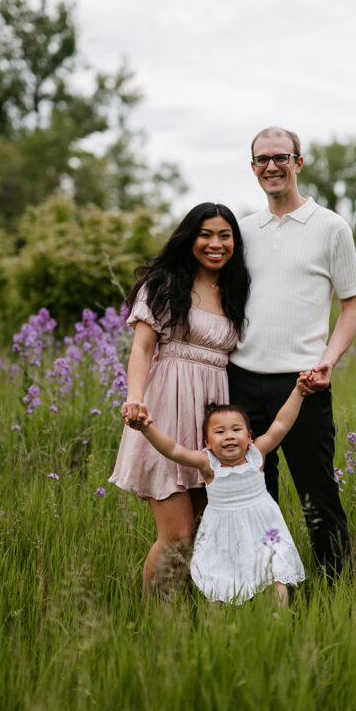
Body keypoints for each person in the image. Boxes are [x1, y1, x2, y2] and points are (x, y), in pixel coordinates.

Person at [227, 126, 356, 579]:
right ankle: (262, 582)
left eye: (280, 157)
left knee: (316, 493)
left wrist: (326, 362)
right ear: (253, 169)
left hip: (302, 384)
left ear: (298, 163)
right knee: (253, 493)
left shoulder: (331, 228)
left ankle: (334, 585)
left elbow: (351, 305)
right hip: (241, 381)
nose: (271, 166)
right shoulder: (242, 231)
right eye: (262, 160)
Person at [109, 202, 250, 591]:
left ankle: (188, 612)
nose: (215, 244)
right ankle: (151, 621)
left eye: (225, 235)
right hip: (168, 408)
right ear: (190, 238)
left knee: (205, 531)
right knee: (177, 538)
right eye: (206, 234)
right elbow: (141, 349)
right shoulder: (166, 283)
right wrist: (134, 399)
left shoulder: (236, 290)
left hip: (212, 418)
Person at [134, 384, 308, 604]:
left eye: (236, 430)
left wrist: (298, 392)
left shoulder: (257, 454)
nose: (229, 437)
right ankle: (227, 623)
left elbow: (281, 423)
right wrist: (146, 429)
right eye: (219, 432)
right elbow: (173, 450)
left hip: (264, 528)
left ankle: (280, 623)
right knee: (226, 581)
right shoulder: (208, 464)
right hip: (224, 533)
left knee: (275, 576)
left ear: (249, 436)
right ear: (207, 443)